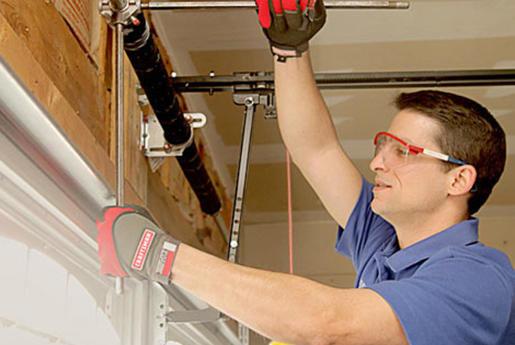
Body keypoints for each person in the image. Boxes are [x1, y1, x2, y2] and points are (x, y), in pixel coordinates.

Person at [96, 0, 514, 344]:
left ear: (459, 179)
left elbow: (330, 325)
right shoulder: (383, 241)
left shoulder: (479, 277)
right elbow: (317, 150)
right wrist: (289, 48)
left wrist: (158, 254)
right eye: (382, 146)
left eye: (402, 151)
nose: (377, 163)